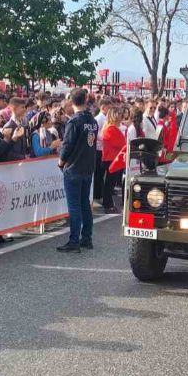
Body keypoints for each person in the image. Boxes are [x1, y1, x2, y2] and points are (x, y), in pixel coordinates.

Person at [57, 88, 97, 253]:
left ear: (71, 102)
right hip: (88, 167)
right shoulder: (92, 121)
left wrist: (61, 160)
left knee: (74, 206)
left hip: (74, 167)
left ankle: (74, 241)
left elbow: (67, 144)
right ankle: (86, 238)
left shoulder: (74, 121)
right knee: (84, 204)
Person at [100, 111, 126, 214]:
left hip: (112, 158)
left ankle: (108, 203)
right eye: (119, 115)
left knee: (110, 183)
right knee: (109, 184)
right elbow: (121, 143)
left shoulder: (111, 128)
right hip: (111, 159)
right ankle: (108, 205)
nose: (121, 118)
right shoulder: (110, 129)